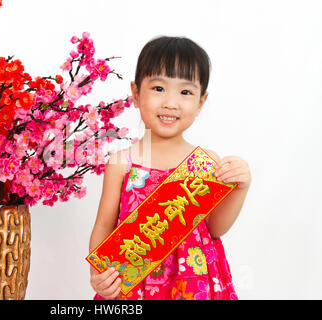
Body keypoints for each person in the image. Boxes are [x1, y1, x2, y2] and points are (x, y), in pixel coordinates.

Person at [88, 36, 251, 300]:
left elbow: (215, 229)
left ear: (200, 102)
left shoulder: (205, 163)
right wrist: (99, 275)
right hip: (136, 285)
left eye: (185, 92)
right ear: (136, 93)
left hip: (195, 282)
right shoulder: (122, 162)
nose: (170, 103)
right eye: (158, 88)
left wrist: (240, 188)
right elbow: (104, 226)